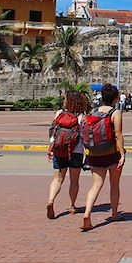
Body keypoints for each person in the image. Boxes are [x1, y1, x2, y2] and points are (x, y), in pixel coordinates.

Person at [81, 83, 126, 231]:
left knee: (96, 185)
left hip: (94, 153)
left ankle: (87, 213)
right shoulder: (115, 113)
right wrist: (122, 154)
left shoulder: (93, 112)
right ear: (115, 98)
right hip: (111, 153)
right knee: (114, 184)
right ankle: (114, 213)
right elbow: (118, 135)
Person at [47, 91, 88, 219]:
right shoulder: (81, 117)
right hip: (76, 152)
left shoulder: (59, 113)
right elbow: (85, 137)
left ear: (68, 101)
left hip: (60, 150)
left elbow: (52, 131)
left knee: (58, 179)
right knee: (74, 180)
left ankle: (51, 200)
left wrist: (52, 146)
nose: (63, 101)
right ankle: (72, 205)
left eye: (64, 99)